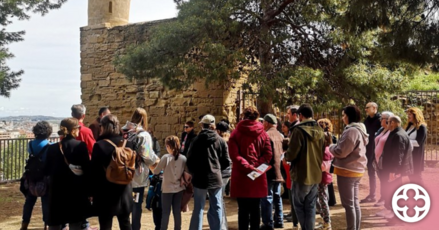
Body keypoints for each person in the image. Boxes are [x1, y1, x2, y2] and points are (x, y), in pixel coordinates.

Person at [228, 107, 272, 230]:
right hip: (257, 175)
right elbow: (268, 154)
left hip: (241, 176)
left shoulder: (235, 133)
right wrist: (256, 166)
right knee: (255, 209)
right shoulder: (263, 134)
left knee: (242, 209)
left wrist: (247, 166)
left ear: (243, 116)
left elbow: (234, 154)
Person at [44, 118, 91, 230]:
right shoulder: (80, 146)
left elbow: (46, 170)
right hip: (75, 190)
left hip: (57, 190)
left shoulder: (52, 148)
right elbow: (87, 169)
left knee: (55, 223)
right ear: (74, 130)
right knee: (75, 222)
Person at [187, 115, 231, 230]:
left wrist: (194, 173)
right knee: (217, 206)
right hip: (216, 177)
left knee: (198, 207)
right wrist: (217, 170)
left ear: (202, 125)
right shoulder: (220, 140)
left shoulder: (196, 141)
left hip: (200, 178)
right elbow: (226, 161)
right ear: (213, 126)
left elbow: (190, 160)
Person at [90, 115, 134, 230]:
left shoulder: (99, 145)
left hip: (105, 191)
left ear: (103, 127)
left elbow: (94, 172)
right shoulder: (128, 144)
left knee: (105, 224)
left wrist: (91, 192)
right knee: (125, 223)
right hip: (124, 190)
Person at [285, 104, 324, 230]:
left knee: (299, 206)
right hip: (315, 174)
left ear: (300, 115)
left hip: (301, 174)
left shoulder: (298, 130)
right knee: (310, 206)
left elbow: (291, 154)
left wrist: (286, 156)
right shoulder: (320, 130)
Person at [329, 105, 368, 230]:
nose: (342, 118)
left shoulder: (352, 130)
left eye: (344, 115)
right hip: (355, 169)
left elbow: (341, 151)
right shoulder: (358, 129)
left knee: (348, 204)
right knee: (353, 203)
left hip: (348, 170)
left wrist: (331, 147)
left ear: (348, 116)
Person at [126, 108, 159, 230]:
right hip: (137, 177)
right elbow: (148, 155)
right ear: (143, 119)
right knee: (136, 204)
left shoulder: (125, 131)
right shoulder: (143, 135)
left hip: (123, 175)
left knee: (125, 203)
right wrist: (158, 162)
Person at [380, 116, 413, 221]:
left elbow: (398, 155)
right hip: (392, 169)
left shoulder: (398, 135)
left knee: (395, 193)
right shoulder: (396, 133)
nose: (386, 124)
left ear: (393, 123)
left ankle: (397, 219)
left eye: (388, 122)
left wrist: (394, 171)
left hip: (394, 170)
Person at [20, 121, 53, 230]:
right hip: (45, 177)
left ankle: (24, 224)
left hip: (32, 177)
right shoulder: (50, 146)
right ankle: (46, 225)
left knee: (29, 202)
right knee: (46, 203)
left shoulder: (30, 145)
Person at [153, 135, 187, 230]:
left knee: (166, 212)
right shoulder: (183, 158)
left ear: (168, 146)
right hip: (179, 188)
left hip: (167, 189)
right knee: (176, 212)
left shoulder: (165, 157)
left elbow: (156, 171)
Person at [260, 114, 284, 229]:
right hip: (278, 171)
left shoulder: (266, 135)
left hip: (268, 171)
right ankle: (279, 220)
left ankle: (268, 223)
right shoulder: (280, 135)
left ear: (267, 123)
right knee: (277, 197)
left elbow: (265, 154)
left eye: (264, 122)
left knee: (267, 197)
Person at [371, 111, 394, 208]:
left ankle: (386, 200)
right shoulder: (381, 129)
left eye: (382, 118)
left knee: (386, 181)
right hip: (377, 159)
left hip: (384, 160)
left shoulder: (391, 131)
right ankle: (383, 198)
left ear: (388, 120)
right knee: (382, 180)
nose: (380, 120)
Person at [361, 102, 381, 203]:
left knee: (381, 174)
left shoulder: (380, 120)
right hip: (368, 150)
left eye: (367, 107)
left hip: (378, 151)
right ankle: (372, 195)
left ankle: (383, 196)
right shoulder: (367, 120)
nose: (366, 109)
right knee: (371, 173)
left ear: (374, 108)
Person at [317, 118, 337, 207]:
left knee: (324, 182)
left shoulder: (323, 136)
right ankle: (331, 200)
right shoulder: (332, 136)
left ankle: (327, 202)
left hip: (325, 160)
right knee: (328, 181)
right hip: (330, 160)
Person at [404, 107, 427, 184]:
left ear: (415, 115)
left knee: (417, 178)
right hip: (409, 155)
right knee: (411, 177)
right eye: (408, 114)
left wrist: (405, 142)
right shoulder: (409, 125)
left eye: (410, 114)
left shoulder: (422, 127)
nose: (408, 116)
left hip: (416, 156)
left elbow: (418, 142)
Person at [215, 120, 231, 230]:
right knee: (220, 199)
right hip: (228, 173)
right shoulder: (231, 140)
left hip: (221, 172)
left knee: (218, 200)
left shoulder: (220, 142)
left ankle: (222, 225)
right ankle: (223, 224)